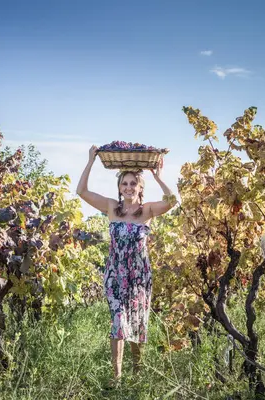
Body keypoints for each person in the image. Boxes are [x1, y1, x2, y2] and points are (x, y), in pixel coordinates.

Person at [76, 145, 177, 385]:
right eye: (124, 184)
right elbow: (81, 191)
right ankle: (117, 376)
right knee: (118, 321)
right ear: (119, 188)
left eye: (133, 183)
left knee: (137, 323)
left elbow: (173, 200)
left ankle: (137, 373)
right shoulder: (112, 207)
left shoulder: (148, 210)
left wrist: (158, 177)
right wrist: (90, 161)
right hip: (115, 275)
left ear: (140, 187)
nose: (129, 187)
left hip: (140, 277)